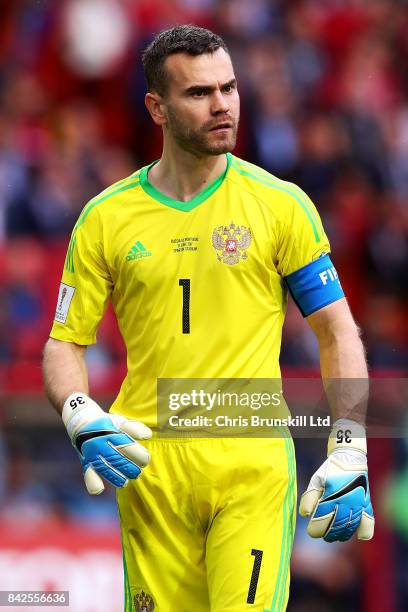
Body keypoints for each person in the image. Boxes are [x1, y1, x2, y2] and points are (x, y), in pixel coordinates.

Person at [42, 25, 374, 612]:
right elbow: (64, 343)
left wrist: (348, 444)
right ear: (157, 108)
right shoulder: (105, 219)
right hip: (149, 470)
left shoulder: (280, 205)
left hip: (250, 464)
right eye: (199, 93)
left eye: (229, 87)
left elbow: (337, 330)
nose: (222, 104)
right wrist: (78, 412)